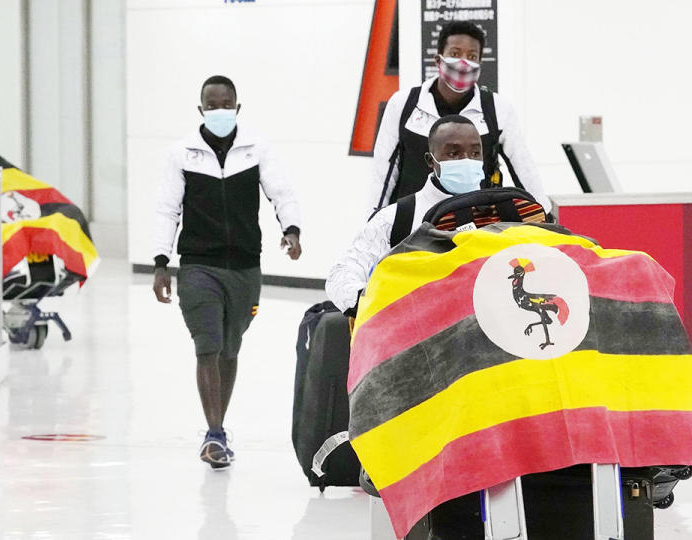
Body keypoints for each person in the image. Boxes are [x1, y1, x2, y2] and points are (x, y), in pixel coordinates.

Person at [152, 75, 303, 470]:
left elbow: (281, 192)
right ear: (201, 109)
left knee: (230, 348)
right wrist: (160, 262)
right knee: (208, 345)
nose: (219, 110)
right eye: (211, 104)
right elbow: (167, 209)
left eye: (226, 104)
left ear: (237, 107)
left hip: (244, 266)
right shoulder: (181, 154)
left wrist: (291, 229)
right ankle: (214, 433)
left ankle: (218, 426)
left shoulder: (256, 150)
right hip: (198, 265)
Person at [365, 21, 550, 216]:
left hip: (477, 221)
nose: (463, 63)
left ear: (479, 65)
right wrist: (373, 221)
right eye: (455, 54)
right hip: (413, 221)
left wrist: (545, 215)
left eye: (472, 56)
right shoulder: (404, 104)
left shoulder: (497, 109)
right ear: (438, 60)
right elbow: (383, 172)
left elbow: (525, 170)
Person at [327, 115, 485, 315]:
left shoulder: (506, 211)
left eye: (475, 152)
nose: (467, 161)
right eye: (454, 153)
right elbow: (341, 274)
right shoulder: (397, 217)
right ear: (430, 160)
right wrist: (373, 306)